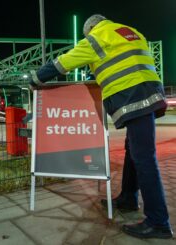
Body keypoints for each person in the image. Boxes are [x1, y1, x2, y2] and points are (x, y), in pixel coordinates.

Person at [29, 14, 173, 239]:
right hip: (151, 93)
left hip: (132, 95)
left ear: (90, 29)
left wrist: (35, 79)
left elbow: (63, 63)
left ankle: (158, 222)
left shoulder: (96, 38)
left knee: (145, 158)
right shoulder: (130, 32)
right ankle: (128, 198)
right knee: (133, 151)